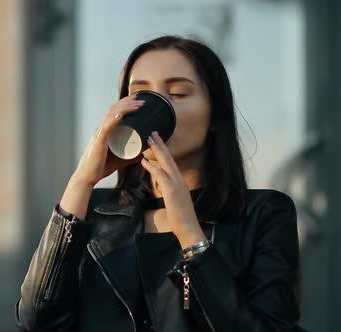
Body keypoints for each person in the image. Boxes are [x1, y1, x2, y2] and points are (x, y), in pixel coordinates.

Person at [15, 35, 305, 332]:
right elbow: (37, 322)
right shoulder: (94, 211)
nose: (154, 106)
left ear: (216, 114)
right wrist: (82, 181)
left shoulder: (263, 213)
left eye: (178, 93)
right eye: (139, 95)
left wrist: (192, 238)